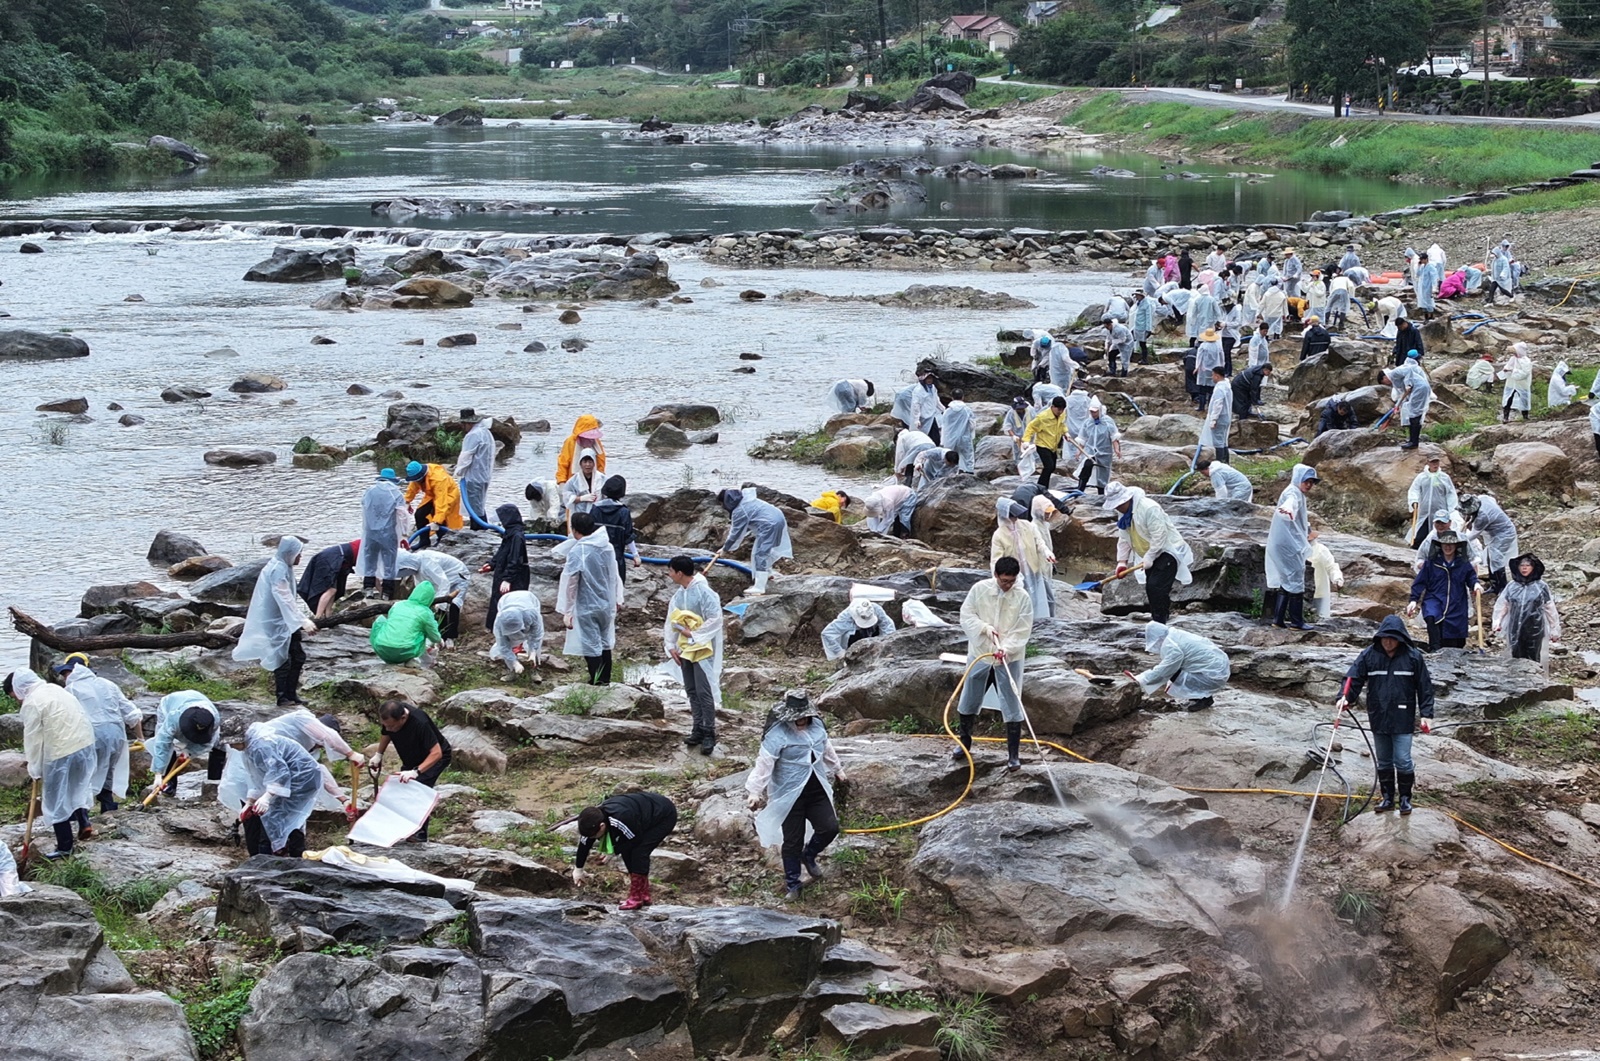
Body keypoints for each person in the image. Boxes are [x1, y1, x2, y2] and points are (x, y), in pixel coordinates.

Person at [746, 692, 847, 900]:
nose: (801, 720)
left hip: (816, 789)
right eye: (796, 716)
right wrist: (755, 791)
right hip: (789, 794)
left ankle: (808, 855)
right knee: (793, 841)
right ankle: (793, 883)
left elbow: (826, 748)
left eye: (804, 715)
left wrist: (837, 769)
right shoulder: (778, 735)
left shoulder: (817, 727)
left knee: (830, 828)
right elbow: (764, 764)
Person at [1338, 615, 1435, 814]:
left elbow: (1425, 687)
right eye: (1384, 637)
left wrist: (1427, 714)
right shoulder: (1369, 655)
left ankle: (1405, 799)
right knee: (1383, 760)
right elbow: (1353, 678)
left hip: (1403, 716)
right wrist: (1345, 698)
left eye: (1392, 638)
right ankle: (1387, 798)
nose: (1388, 642)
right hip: (1378, 715)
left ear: (1401, 638)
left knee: (1403, 759)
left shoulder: (1413, 657)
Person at [952, 558, 1034, 770]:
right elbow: (967, 614)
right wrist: (984, 628)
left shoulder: (1022, 597)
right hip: (980, 653)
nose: (1008, 585)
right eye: (1004, 581)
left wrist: (1006, 648)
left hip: (1009, 658)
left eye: (1012, 581)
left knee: (1012, 702)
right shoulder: (979, 590)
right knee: (969, 697)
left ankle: (1013, 755)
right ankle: (964, 743)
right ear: (996, 575)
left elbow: (1022, 628)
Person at [9, 669, 95, 858]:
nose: (17, 700)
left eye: (14, 696)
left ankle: (65, 846)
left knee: (54, 798)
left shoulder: (32, 702)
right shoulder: (56, 689)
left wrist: (34, 768)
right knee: (77, 787)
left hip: (60, 751)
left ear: (19, 689)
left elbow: (33, 738)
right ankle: (84, 823)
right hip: (85, 744)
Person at [235, 538, 318, 707]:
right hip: (275, 622)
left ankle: (291, 694)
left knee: (298, 656)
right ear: (290, 553)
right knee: (282, 659)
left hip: (285, 620)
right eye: (298, 554)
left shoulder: (283, 566)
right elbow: (284, 597)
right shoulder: (277, 569)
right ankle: (282, 698)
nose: (300, 558)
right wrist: (302, 620)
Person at [56, 656, 142, 813]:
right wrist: (140, 738)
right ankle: (108, 808)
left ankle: (81, 814)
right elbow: (132, 714)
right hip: (117, 735)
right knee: (108, 771)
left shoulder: (71, 690)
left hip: (91, 736)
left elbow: (66, 720)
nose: (64, 677)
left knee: (83, 775)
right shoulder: (108, 684)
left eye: (66, 673)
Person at [1103, 481, 1194, 624]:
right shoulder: (1124, 514)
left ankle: (1160, 624)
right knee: (1151, 589)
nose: (1117, 508)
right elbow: (1124, 537)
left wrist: (1151, 556)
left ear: (1127, 499)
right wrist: (1122, 562)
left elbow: (1159, 535)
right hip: (1147, 553)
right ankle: (1158, 621)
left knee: (1156, 587)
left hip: (1167, 550)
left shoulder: (1149, 508)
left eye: (1119, 504)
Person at [573, 791, 679, 910]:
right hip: (640, 816)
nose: (593, 839)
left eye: (594, 836)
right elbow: (584, 844)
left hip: (663, 815)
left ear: (602, 826)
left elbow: (635, 839)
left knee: (639, 852)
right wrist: (578, 870)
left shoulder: (620, 818)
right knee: (627, 851)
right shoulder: (592, 821)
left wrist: (613, 851)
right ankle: (643, 894)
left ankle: (636, 898)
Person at [554, 511, 625, 684]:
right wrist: (618, 597)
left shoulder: (579, 550)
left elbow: (572, 581)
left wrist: (568, 610)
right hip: (606, 602)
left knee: (591, 644)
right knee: (605, 642)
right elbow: (614, 574)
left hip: (587, 604)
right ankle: (605, 679)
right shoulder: (606, 546)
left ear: (574, 529)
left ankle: (597, 681)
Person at [664, 556, 724, 753]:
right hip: (685, 647)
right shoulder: (679, 595)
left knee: (703, 690)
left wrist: (695, 634)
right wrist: (671, 645)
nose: (669, 574)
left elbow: (715, 618)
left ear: (679, 573)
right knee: (691, 688)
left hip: (702, 647)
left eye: (671, 571)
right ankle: (697, 728)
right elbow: (671, 620)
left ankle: (709, 732)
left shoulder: (704, 592)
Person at [235, 723, 323, 858]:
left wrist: (267, 797)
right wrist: (250, 802)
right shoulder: (248, 750)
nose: (231, 746)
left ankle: (285, 858)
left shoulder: (262, 746)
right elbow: (256, 777)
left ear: (241, 739)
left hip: (302, 780)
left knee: (282, 817)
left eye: (232, 743)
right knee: (281, 819)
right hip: (287, 781)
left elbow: (280, 773)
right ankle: (279, 856)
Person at [373, 699, 452, 841]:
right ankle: (404, 828)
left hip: (434, 758)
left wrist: (416, 772)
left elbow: (436, 753)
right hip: (411, 758)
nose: (388, 729)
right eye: (386, 725)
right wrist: (379, 755)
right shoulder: (390, 718)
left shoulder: (420, 722)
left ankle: (419, 834)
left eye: (392, 726)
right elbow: (386, 733)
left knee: (418, 789)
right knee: (403, 786)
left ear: (403, 718)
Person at [1265, 464, 1319, 629]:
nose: (1309, 485)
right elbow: (1290, 504)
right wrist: (1286, 509)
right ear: (1298, 479)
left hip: (1284, 543)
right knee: (1295, 580)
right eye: (1306, 481)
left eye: (1311, 482)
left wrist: (1307, 529)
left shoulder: (1297, 493)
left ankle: (1278, 619)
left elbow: (1299, 517)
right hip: (1288, 545)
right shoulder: (1292, 493)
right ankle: (1296, 621)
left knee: (1286, 580)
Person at [1130, 622, 1229, 711]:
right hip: (1218, 671)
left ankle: (1204, 699)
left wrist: (1142, 679)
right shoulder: (1175, 635)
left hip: (1212, 676)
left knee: (1174, 674)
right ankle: (1200, 696)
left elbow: (1165, 670)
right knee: (1177, 670)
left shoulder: (1172, 646)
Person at [1406, 531, 1477, 651]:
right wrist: (1413, 600)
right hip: (1434, 598)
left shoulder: (1463, 564)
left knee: (1455, 639)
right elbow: (1420, 582)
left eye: (1451, 544)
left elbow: (1471, 578)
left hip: (1456, 603)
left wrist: (1476, 585)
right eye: (1445, 544)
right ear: (1440, 545)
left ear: (1456, 546)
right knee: (1431, 616)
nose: (1448, 547)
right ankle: (1434, 650)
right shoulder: (1431, 563)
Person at [146, 690, 221, 798]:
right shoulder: (173, 718)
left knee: (219, 745)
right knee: (167, 745)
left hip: (197, 699)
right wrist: (158, 774)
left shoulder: (214, 721)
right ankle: (168, 783)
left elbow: (208, 743)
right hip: (171, 704)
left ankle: (214, 785)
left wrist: (189, 751)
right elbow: (162, 743)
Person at [720, 488, 793, 597]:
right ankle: (767, 573)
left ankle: (759, 587)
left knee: (760, 553)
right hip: (778, 518)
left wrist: (725, 549)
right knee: (764, 550)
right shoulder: (748, 501)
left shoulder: (740, 510)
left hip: (769, 524)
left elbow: (735, 534)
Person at [991, 498, 1056, 620]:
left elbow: (1038, 541)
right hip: (1015, 575)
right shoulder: (999, 535)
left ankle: (1041, 622)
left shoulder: (1027, 525)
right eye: (1012, 516)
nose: (1015, 518)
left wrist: (1046, 552)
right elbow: (996, 560)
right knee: (1020, 602)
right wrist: (999, 579)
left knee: (1039, 599)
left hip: (1033, 570)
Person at [396, 548, 470, 648]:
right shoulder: (417, 569)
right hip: (443, 578)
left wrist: (440, 604)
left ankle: (450, 637)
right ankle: (440, 636)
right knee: (436, 607)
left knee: (453, 605)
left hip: (458, 576)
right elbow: (422, 588)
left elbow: (443, 583)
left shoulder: (427, 562)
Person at [1494, 553, 1560, 665]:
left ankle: (1534, 675)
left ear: (1533, 567)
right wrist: (1498, 621)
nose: (1524, 568)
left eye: (1528, 565)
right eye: (1521, 565)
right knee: (1516, 656)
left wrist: (1554, 629)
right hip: (1515, 627)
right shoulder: (1512, 586)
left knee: (1533, 656)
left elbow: (1549, 608)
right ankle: (1516, 675)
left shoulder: (1541, 586)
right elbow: (1504, 605)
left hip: (1535, 628)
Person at [359, 469, 408, 600]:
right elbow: (402, 515)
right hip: (388, 532)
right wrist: (404, 534)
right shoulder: (395, 493)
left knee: (370, 559)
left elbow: (363, 505)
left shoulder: (369, 491)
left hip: (370, 532)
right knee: (389, 563)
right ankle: (386, 593)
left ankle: (368, 590)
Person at [369, 580, 443, 666]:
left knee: (380, 620)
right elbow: (434, 636)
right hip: (405, 651)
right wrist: (440, 640)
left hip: (382, 648)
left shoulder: (398, 604)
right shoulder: (426, 613)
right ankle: (411, 659)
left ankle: (389, 654)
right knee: (423, 630)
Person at [1460, 493, 1519, 594]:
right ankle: (1494, 585)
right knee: (1489, 557)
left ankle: (1501, 587)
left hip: (1504, 533)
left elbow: (1474, 534)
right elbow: (1492, 499)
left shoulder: (1483, 516)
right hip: (1493, 533)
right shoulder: (1482, 498)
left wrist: (1459, 539)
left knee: (1496, 559)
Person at [486, 502, 531, 632]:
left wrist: (508, 579)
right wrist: (492, 564)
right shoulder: (510, 533)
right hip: (503, 571)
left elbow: (516, 559)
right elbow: (502, 551)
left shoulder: (517, 536)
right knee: (497, 600)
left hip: (515, 577)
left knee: (509, 602)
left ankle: (509, 630)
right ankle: (496, 628)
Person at [591, 476, 641, 582]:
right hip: (616, 556)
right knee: (616, 585)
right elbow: (628, 536)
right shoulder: (624, 512)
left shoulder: (595, 509)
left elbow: (589, 532)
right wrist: (635, 555)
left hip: (597, 556)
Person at [404, 460, 464, 549]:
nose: (416, 482)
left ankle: (441, 540)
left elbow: (441, 502)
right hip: (432, 495)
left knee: (437, 513)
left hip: (448, 495)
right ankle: (424, 541)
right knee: (419, 514)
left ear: (423, 475)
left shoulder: (438, 479)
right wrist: (406, 502)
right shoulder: (417, 476)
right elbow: (412, 489)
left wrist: (436, 522)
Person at [454, 409, 496, 524]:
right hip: (484, 476)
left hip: (473, 477)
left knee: (474, 510)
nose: (462, 427)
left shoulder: (473, 435)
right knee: (479, 506)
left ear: (468, 423)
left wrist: (458, 472)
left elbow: (466, 457)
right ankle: (483, 528)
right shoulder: (485, 432)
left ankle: (478, 530)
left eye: (463, 424)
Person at [1072, 397, 1121, 496]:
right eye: (1091, 412)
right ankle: (1080, 489)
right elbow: (1083, 438)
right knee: (1087, 466)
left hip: (1104, 452)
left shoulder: (1108, 422)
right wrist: (1079, 452)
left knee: (1102, 474)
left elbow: (1114, 437)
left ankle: (1101, 494)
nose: (1093, 414)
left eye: (1095, 412)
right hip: (1090, 451)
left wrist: (1116, 449)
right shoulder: (1088, 423)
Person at [488, 589, 544, 677]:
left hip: (528, 599)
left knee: (534, 644)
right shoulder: (499, 624)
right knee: (508, 644)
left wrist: (533, 652)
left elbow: (536, 635)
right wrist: (514, 663)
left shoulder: (531, 614)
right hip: (505, 600)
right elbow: (503, 645)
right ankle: (512, 670)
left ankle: (534, 668)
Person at [1406, 455, 1458, 548]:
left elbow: (1451, 493)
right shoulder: (1421, 477)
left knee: (1439, 536)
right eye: (1433, 462)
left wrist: (1452, 509)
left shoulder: (1444, 477)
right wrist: (1414, 500)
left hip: (1440, 514)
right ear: (1428, 463)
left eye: (1437, 462)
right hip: (1425, 513)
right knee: (1420, 537)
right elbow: (1414, 489)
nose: (1435, 464)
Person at [298, 541, 359, 619]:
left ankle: (328, 614)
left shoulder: (366, 544)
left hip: (338, 559)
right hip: (332, 559)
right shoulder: (367, 545)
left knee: (334, 590)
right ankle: (318, 616)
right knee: (331, 590)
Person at [820, 598, 895, 660]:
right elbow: (827, 634)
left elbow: (887, 625)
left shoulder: (876, 609)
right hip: (853, 640)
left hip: (874, 634)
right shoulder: (845, 618)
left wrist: (886, 644)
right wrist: (840, 652)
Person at [1384, 359, 1431, 451]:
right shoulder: (1396, 379)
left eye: (1383, 382)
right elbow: (1403, 394)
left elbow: (1409, 370)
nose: (1386, 384)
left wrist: (1408, 383)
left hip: (1419, 388)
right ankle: (1412, 440)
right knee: (1413, 414)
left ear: (1384, 377)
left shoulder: (1394, 373)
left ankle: (1414, 442)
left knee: (1414, 414)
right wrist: (1397, 405)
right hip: (1418, 388)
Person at [1022, 396, 1068, 489]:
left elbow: (1062, 425)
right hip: (1042, 445)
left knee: (1052, 467)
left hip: (1053, 446)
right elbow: (1031, 427)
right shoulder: (1042, 417)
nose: (1060, 412)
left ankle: (1044, 486)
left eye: (1062, 409)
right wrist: (1026, 440)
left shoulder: (1062, 415)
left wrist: (1066, 432)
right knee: (1049, 466)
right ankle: (1040, 487)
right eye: (1059, 409)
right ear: (1053, 407)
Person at [556, 414, 606, 483]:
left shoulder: (596, 442)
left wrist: (601, 479)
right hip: (573, 481)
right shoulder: (570, 442)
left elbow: (601, 461)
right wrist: (561, 481)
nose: (589, 438)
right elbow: (563, 463)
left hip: (594, 481)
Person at [1308, 532, 1344, 620]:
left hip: (1319, 593)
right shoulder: (1295, 548)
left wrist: (1337, 579)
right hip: (1300, 593)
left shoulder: (1321, 550)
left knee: (1321, 618)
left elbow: (1332, 566)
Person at [561, 449, 607, 518]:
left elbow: (608, 496)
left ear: (594, 463)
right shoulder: (573, 481)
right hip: (580, 515)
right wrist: (581, 498)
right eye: (585, 462)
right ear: (580, 463)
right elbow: (566, 497)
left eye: (590, 462)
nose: (587, 464)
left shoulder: (602, 479)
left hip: (598, 514)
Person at [939, 390, 976, 473]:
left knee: (950, 457)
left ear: (952, 397)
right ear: (963, 397)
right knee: (967, 456)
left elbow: (943, 425)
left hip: (950, 438)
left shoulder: (947, 411)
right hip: (964, 437)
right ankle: (968, 472)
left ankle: (948, 475)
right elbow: (972, 424)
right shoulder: (967, 410)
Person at [1203, 365, 1233, 464]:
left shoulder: (1220, 389)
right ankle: (1226, 462)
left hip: (1220, 417)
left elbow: (1218, 404)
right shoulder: (1227, 385)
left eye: (1213, 375)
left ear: (1217, 375)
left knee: (1218, 441)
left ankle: (1220, 462)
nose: (1212, 377)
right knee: (1224, 440)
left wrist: (1213, 419)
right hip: (1226, 416)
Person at [1500, 343, 1534, 423]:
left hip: (1522, 383)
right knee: (1508, 398)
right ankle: (1505, 417)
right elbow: (1508, 366)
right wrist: (1506, 370)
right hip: (1511, 383)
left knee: (1524, 398)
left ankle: (1525, 416)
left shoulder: (1525, 361)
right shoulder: (1513, 359)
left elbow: (1525, 373)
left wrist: (1512, 371)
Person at [1193, 328, 1224, 411]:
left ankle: (1201, 407)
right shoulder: (1218, 345)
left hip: (1204, 370)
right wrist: (1222, 366)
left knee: (1202, 388)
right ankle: (1211, 406)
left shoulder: (1203, 346)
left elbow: (1199, 357)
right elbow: (1222, 357)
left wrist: (1197, 367)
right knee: (1212, 388)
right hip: (1215, 370)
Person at [912, 370, 944, 441]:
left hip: (932, 415)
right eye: (928, 378)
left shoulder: (932, 388)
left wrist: (943, 409)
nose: (929, 380)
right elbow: (916, 405)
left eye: (931, 378)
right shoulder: (918, 390)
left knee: (935, 436)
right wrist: (916, 419)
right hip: (924, 416)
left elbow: (936, 400)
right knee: (924, 436)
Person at [1002, 396, 1033, 470]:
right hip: (1018, 438)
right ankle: (1020, 470)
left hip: (1030, 437)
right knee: (1018, 455)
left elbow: (1036, 423)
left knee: (1032, 454)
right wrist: (1013, 436)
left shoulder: (1030, 411)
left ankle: (1033, 469)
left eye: (1022, 408)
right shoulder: (1011, 413)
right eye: (1019, 409)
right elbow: (1007, 426)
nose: (1021, 410)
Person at [1414, 252, 1441, 321]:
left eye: (1422, 259)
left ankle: (1430, 317)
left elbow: (1434, 277)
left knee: (1429, 302)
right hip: (1422, 288)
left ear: (1426, 259)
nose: (1421, 260)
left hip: (1428, 287)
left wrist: (1434, 287)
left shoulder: (1431, 267)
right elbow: (1418, 274)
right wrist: (1418, 266)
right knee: (1423, 302)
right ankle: (1426, 317)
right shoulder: (1422, 267)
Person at [1131, 290, 1154, 363]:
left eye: (1137, 295)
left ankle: (1144, 359)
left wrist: (1148, 329)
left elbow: (1148, 317)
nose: (1136, 297)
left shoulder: (1147, 304)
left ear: (1141, 296)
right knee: (1130, 340)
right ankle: (1131, 356)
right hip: (1137, 326)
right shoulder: (1138, 302)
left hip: (1142, 327)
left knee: (1142, 344)